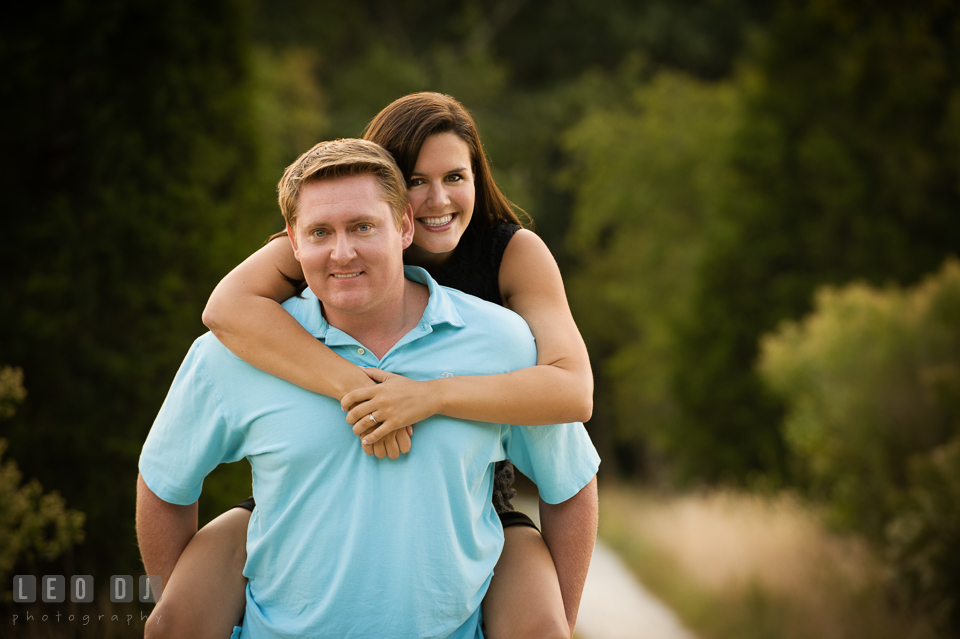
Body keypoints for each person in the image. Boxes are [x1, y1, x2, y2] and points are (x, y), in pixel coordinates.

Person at [161, 92, 596, 639]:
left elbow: (573, 391)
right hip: (315, 485)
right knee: (173, 620)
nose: (437, 199)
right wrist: (357, 390)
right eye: (416, 180)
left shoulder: (511, 253)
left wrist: (428, 396)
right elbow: (225, 310)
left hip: (474, 493)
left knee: (544, 627)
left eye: (456, 176)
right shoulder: (337, 238)